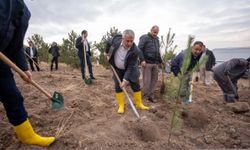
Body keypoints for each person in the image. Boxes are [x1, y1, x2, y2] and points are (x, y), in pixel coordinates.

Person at [0, 0, 55, 147]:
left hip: (1, 60)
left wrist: (24, 68)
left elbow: (17, 45)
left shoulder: (24, 12)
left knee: (13, 96)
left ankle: (27, 136)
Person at [105, 29, 149, 114]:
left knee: (135, 85)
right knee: (118, 86)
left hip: (131, 69)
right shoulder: (116, 40)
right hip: (117, 69)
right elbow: (108, 42)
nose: (129, 43)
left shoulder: (135, 50)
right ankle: (121, 105)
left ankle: (139, 104)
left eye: (131, 41)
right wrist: (106, 52)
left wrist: (125, 80)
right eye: (127, 41)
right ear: (122, 38)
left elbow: (130, 67)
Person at [138, 25, 162, 102]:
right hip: (146, 63)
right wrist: (142, 60)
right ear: (151, 30)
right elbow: (139, 49)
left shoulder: (157, 40)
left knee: (154, 81)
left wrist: (160, 61)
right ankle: (144, 98)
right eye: (154, 32)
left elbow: (157, 51)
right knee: (146, 81)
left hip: (155, 63)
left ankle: (151, 96)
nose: (155, 34)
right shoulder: (144, 37)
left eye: (157, 33)